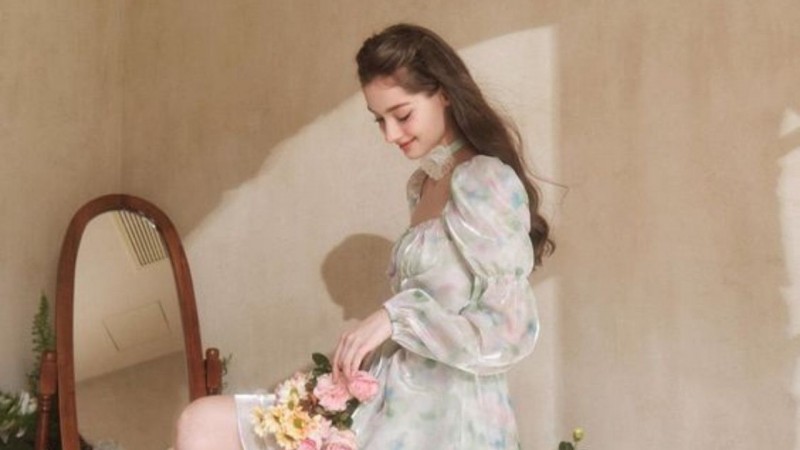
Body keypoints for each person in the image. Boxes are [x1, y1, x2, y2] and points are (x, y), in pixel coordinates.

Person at [175, 23, 553, 450]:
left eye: (402, 115)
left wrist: (394, 318)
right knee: (203, 422)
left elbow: (510, 329)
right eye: (379, 120)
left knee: (207, 424)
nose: (390, 135)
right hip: (394, 397)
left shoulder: (484, 179)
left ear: (444, 93)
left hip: (450, 420)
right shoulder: (423, 186)